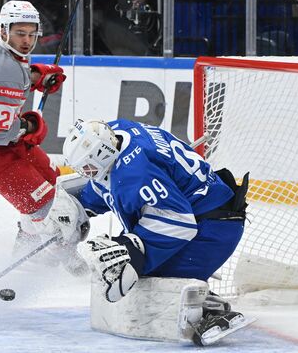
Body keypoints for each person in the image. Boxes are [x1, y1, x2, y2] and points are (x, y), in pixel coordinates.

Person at [62, 119, 250, 343]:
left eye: (87, 167)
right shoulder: (118, 132)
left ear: (102, 153)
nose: (86, 173)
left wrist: (133, 248)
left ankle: (208, 310)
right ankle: (196, 294)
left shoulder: (134, 173)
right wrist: (76, 206)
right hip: (209, 211)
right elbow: (111, 185)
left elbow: (178, 222)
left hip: (212, 229)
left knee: (134, 275)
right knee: (128, 268)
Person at [0, 0, 89, 275]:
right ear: (4, 30)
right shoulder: (1, 73)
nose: (27, 41)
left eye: (31, 33)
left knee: (53, 180)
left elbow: (9, 71)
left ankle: (27, 250)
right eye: (20, 34)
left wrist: (35, 75)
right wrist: (32, 125)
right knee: (51, 208)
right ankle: (25, 272)